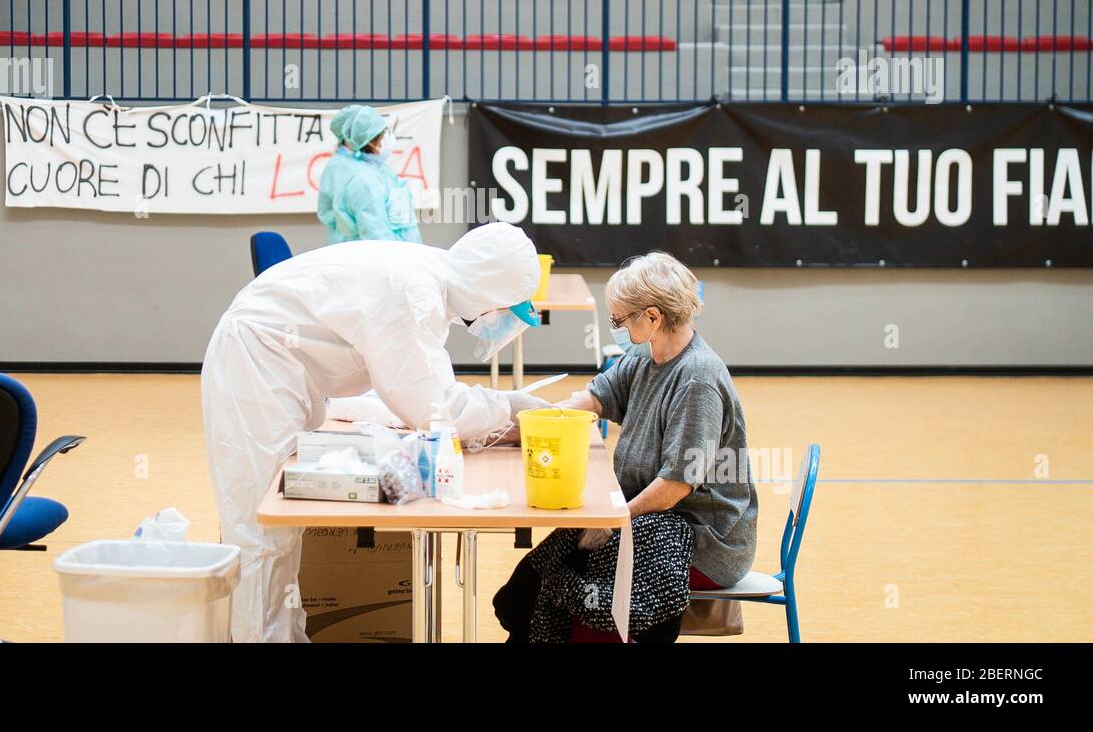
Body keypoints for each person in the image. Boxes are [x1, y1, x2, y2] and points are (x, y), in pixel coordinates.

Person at [201, 222, 549, 642]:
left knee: (281, 536)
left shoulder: (429, 282)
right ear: (490, 295)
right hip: (255, 366)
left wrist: (497, 411)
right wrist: (508, 407)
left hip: (277, 373)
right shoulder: (412, 294)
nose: (503, 324)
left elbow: (409, 387)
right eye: (508, 310)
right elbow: (434, 408)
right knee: (261, 530)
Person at [494, 251, 757, 642]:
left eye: (618, 320)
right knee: (528, 586)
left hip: (700, 537)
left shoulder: (696, 381)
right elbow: (593, 399)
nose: (614, 327)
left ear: (652, 317)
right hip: (649, 516)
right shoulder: (646, 357)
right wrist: (525, 425)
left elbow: (674, 487)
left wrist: (614, 519)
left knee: (582, 586)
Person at [317, 104, 422, 244]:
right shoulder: (360, 177)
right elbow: (376, 234)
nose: (387, 137)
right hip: (384, 256)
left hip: (401, 252)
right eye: (381, 134)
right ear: (368, 140)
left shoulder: (375, 167)